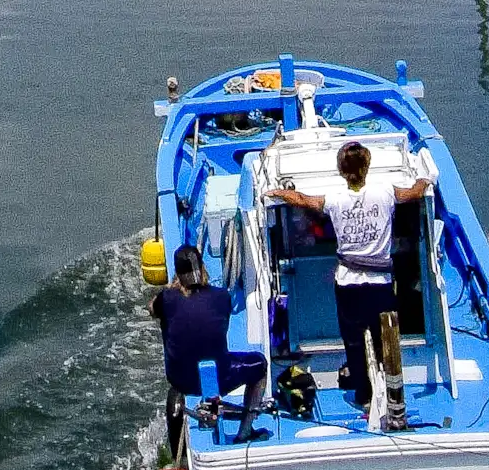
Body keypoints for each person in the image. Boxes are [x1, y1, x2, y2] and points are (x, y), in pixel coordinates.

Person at [271, 141, 429, 416]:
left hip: (348, 284)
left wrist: (279, 192)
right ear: (367, 167)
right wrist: (425, 179)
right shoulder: (386, 193)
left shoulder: (334, 199)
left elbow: (305, 201)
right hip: (380, 284)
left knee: (354, 342)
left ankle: (364, 395)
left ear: (342, 172)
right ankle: (392, 392)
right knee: (386, 341)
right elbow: (413, 194)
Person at [149, 244, 269, 449]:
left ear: (178, 273)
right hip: (219, 378)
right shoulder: (222, 296)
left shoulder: (166, 299)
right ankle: (245, 431)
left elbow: (152, 309)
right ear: (203, 269)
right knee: (259, 363)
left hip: (181, 380)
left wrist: (171, 291)